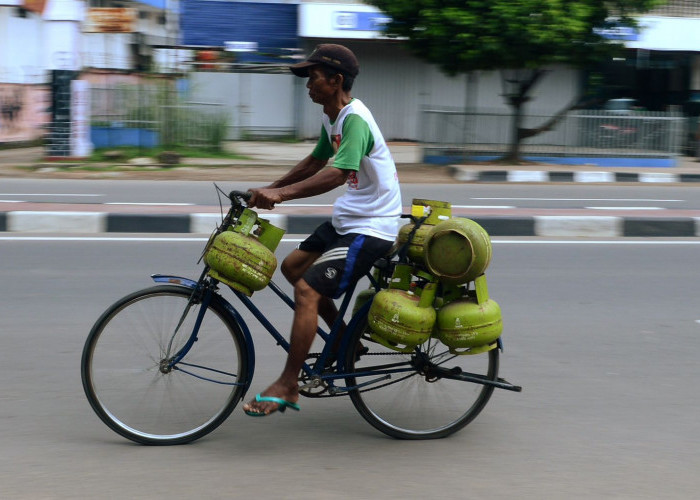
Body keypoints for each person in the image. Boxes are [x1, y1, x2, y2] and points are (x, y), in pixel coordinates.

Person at [242, 44, 402, 416]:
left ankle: (288, 383)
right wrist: (267, 189)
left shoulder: (355, 119)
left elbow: (335, 173)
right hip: (349, 219)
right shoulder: (334, 118)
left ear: (336, 80)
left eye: (313, 77)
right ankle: (346, 340)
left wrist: (279, 195)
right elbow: (315, 160)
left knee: (307, 291)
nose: (308, 85)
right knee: (292, 267)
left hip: (372, 227)